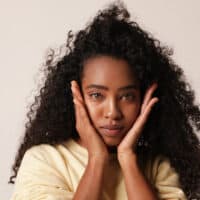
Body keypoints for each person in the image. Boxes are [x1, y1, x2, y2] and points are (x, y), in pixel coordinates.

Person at [9, 2, 200, 200]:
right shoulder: (45, 160)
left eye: (127, 96)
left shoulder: (157, 167)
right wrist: (96, 159)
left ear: (144, 99)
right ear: (76, 95)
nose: (113, 112)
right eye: (97, 95)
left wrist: (127, 158)